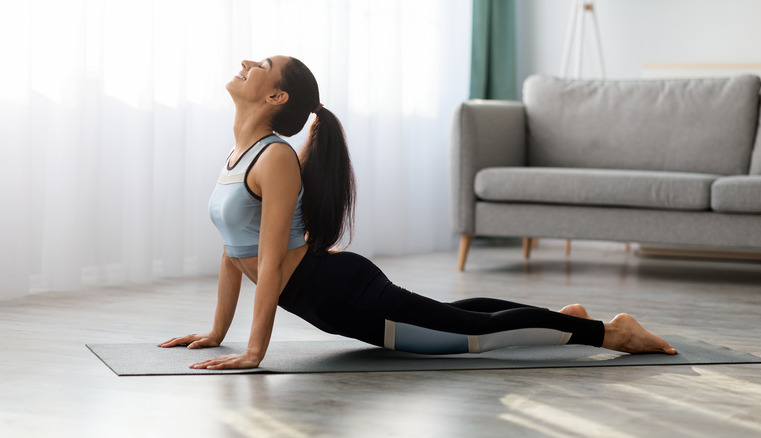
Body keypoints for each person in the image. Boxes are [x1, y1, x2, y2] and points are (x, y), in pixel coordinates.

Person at [159, 56, 677, 370]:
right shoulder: (240, 157)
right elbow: (235, 252)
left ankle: (611, 333)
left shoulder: (274, 159)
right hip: (330, 293)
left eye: (262, 66)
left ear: (275, 96)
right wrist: (216, 331)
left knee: (473, 336)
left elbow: (268, 265)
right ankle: (561, 320)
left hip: (342, 295)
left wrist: (254, 351)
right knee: (455, 317)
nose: (247, 62)